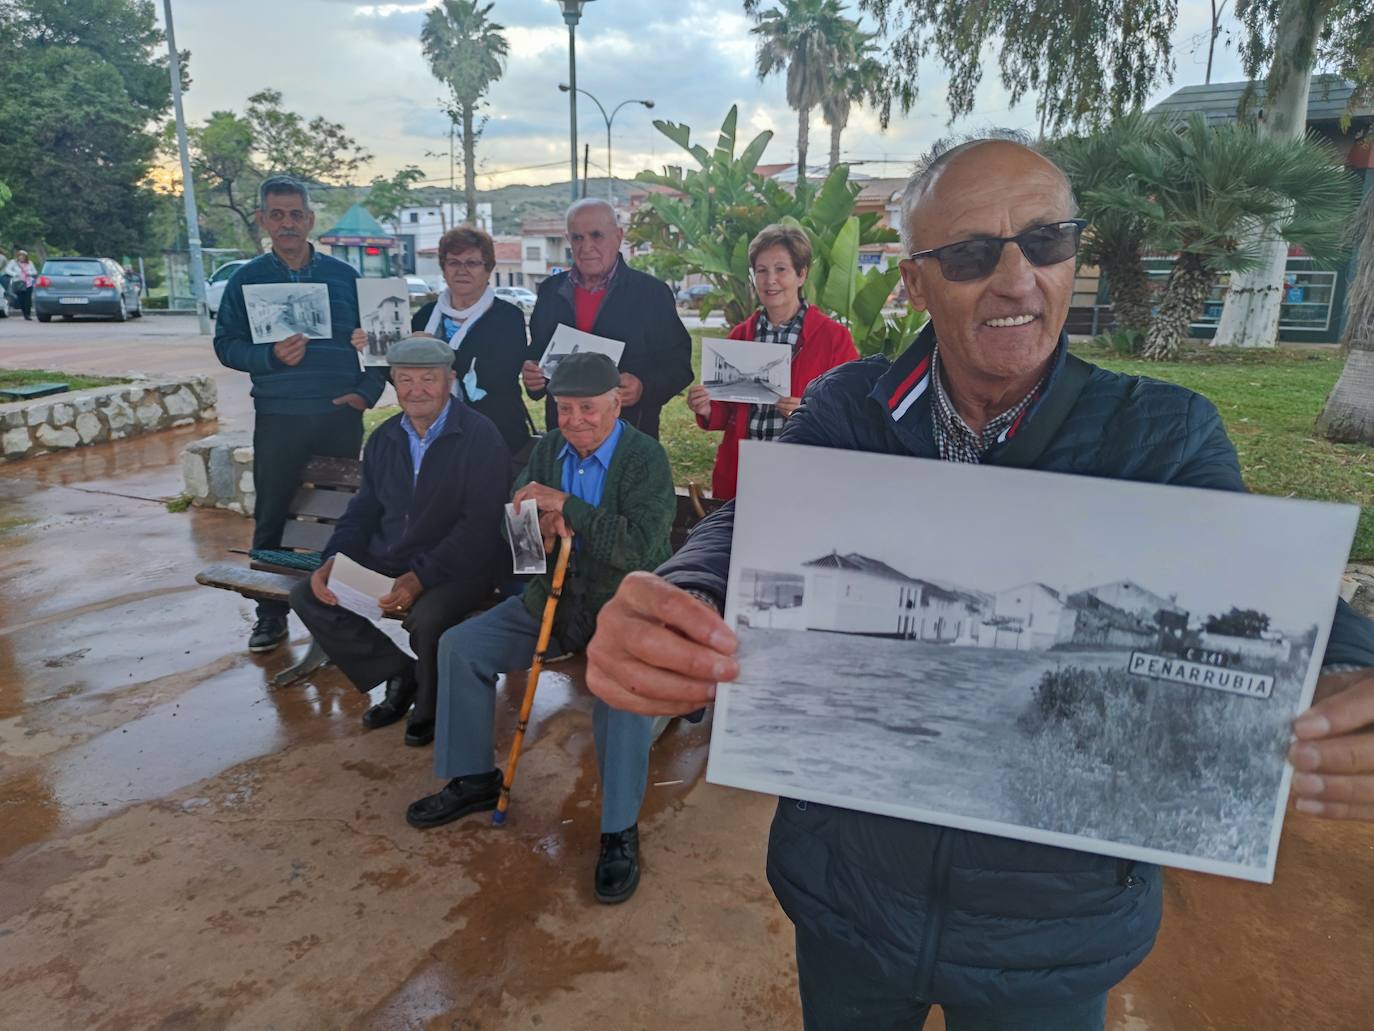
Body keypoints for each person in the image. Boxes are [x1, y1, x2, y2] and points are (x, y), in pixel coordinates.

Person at [585, 134, 1374, 1029]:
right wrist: (683, 589)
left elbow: (1259, 585)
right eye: (969, 254)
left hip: (1053, 936)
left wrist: (1353, 675)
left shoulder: (1163, 434)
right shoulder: (849, 407)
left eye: (1047, 241)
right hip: (850, 901)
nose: (1016, 277)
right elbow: (753, 524)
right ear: (915, 284)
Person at [408, 352, 676, 905]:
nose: (574, 420)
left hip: (621, 609)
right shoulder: (547, 450)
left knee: (620, 697)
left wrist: (567, 507)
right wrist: (536, 531)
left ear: (616, 402)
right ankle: (473, 778)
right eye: (563, 408)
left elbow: (640, 548)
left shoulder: (646, 458)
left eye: (587, 408)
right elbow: (523, 549)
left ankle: (618, 830)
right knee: (461, 646)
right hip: (550, 601)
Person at [287, 335, 511, 746]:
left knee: (427, 619)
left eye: (429, 379)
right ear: (393, 381)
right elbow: (363, 509)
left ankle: (430, 701)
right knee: (310, 594)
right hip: (391, 558)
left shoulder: (480, 436)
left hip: (458, 568)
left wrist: (419, 578)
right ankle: (397, 673)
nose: (416, 390)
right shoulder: (386, 437)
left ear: (450, 381)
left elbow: (479, 526)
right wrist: (334, 558)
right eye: (406, 380)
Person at [214, 175, 386, 654]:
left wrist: (365, 393)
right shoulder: (245, 279)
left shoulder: (344, 277)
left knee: (338, 516)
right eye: (277, 214)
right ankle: (270, 614)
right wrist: (269, 358)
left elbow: (380, 340)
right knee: (272, 514)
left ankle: (334, 614)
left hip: (338, 414)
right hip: (279, 415)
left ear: (310, 220)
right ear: (263, 220)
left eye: (296, 214)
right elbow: (225, 345)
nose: (287, 223)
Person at [685, 224, 858, 499]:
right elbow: (725, 412)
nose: (770, 280)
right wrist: (706, 408)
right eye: (761, 271)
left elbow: (852, 411)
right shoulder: (740, 335)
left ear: (801, 275)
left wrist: (808, 412)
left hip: (804, 475)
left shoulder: (834, 338)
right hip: (742, 471)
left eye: (781, 269)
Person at [522, 198, 693, 440]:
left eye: (596, 235)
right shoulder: (551, 291)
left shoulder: (651, 294)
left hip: (628, 438)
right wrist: (532, 377)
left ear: (618, 236)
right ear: (568, 239)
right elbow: (538, 353)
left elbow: (679, 367)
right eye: (578, 238)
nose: (586, 246)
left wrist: (644, 386)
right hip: (566, 437)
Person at [382, 226, 532, 466]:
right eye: (453, 262)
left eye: (472, 263)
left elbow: (496, 374)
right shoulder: (425, 316)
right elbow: (403, 376)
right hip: (432, 437)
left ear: (488, 268)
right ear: (443, 268)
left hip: (496, 437)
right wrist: (377, 350)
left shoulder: (508, 317)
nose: (462, 270)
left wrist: (431, 352)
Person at [3, 249, 36, 320]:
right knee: (21, 299)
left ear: (26, 257)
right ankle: (24, 313)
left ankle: (28, 314)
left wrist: (29, 273)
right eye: (20, 256)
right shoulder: (13, 262)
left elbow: (35, 272)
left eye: (23, 256)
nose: (21, 257)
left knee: (28, 299)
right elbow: (7, 270)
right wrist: (15, 274)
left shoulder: (30, 263)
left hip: (28, 283)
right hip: (19, 283)